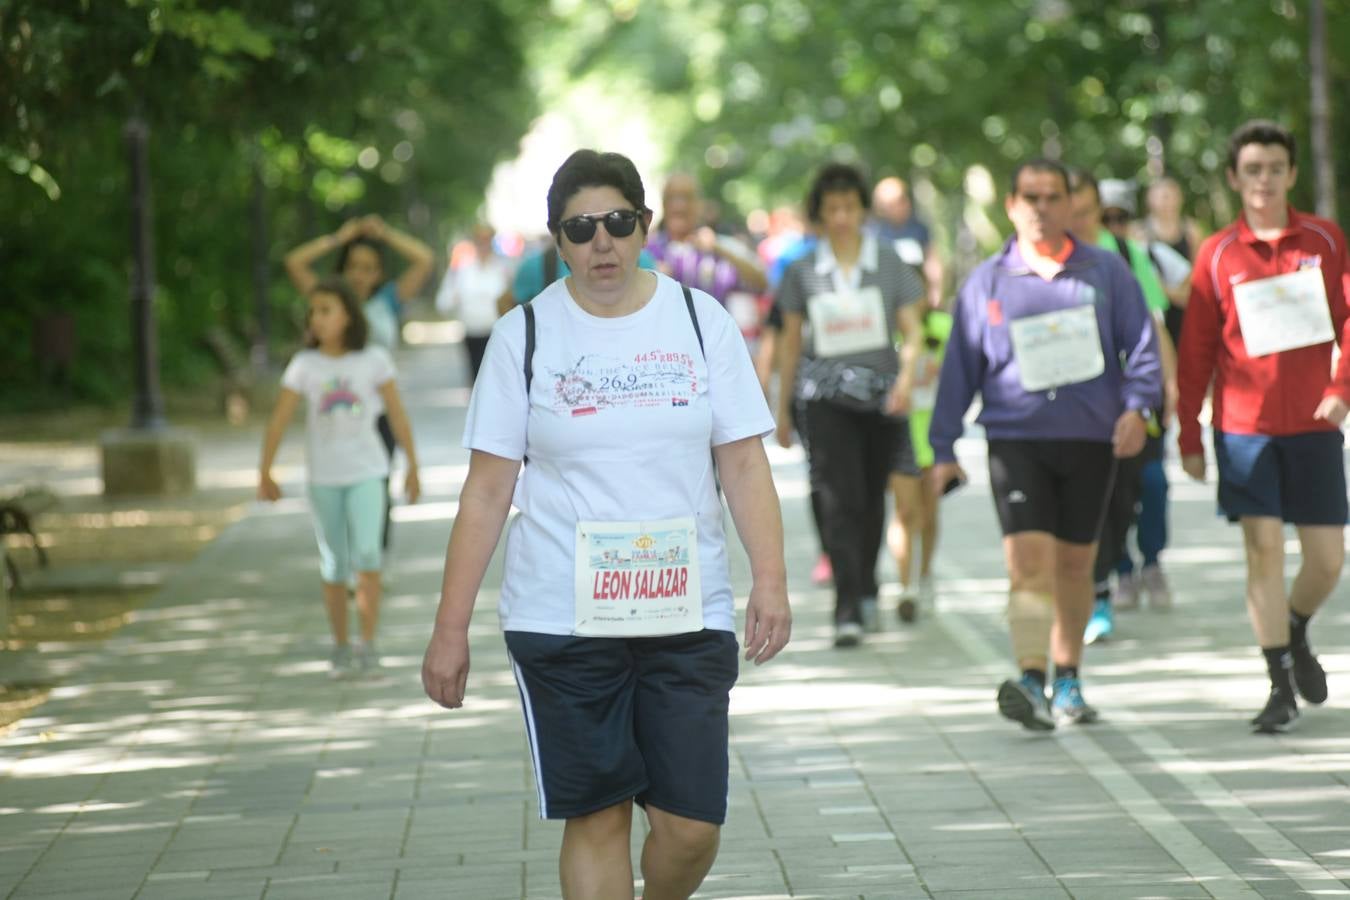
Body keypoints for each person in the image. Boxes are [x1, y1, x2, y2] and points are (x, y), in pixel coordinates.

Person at [421, 149, 791, 899]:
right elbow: (487, 493)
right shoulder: (522, 337)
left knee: (690, 830)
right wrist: (448, 627)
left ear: (644, 225)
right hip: (560, 615)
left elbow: (745, 465)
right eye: (581, 228)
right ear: (556, 239)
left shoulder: (699, 319)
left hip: (686, 611)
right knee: (597, 817)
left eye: (618, 223)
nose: (602, 243)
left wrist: (771, 582)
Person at [929, 158, 1161, 730]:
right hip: (1016, 439)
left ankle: (1068, 677)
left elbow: (1144, 348)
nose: (1039, 206)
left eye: (1051, 196)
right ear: (1011, 205)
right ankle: (1031, 679)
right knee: (1028, 561)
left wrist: (1138, 408)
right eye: (1028, 196)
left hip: (1089, 439)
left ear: (1069, 204)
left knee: (1076, 564)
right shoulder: (988, 280)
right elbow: (959, 367)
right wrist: (942, 447)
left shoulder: (1105, 272)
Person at [1177, 119, 1350, 734]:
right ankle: (1279, 684)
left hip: (1314, 424)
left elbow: (1349, 316)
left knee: (1329, 559)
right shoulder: (1218, 253)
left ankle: (1296, 626)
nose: (1264, 179)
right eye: (1252, 169)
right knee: (1264, 552)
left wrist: (1341, 390)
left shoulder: (1324, 241)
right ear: (1234, 177)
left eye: (1275, 168)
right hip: (1244, 429)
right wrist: (1189, 435)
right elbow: (1196, 349)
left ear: (1291, 174)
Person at [775, 162, 925, 647]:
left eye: (849, 207)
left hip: (881, 400)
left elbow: (914, 329)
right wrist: (780, 408)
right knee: (839, 498)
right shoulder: (801, 271)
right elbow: (790, 342)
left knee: (870, 498)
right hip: (823, 400)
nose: (841, 217)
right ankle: (846, 603)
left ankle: (865, 584)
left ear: (863, 210)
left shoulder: (888, 262)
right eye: (831, 208)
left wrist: (906, 380)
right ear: (819, 214)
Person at [257, 277, 421, 678]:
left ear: (349, 315)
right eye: (314, 311)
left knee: (367, 554)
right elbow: (279, 419)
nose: (318, 318)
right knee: (333, 564)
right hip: (324, 477)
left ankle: (368, 643)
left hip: (368, 471)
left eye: (327, 309)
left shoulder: (374, 361)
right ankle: (341, 646)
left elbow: (397, 415)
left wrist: (414, 466)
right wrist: (265, 470)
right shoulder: (304, 366)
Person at [1067, 173, 1178, 645]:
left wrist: (1168, 386)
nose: (1080, 220)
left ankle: (1129, 568)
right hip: (1068, 406)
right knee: (1081, 502)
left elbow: (1154, 327)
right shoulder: (1046, 260)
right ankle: (1099, 593)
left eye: (1089, 210)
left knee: (1130, 491)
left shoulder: (1126, 256)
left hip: (1126, 401)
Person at [285, 215, 435, 548]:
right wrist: (339, 239)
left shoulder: (388, 301)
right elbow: (294, 262)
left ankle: (372, 559)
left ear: (379, 273)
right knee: (337, 486)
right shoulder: (327, 301)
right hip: (334, 412)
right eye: (354, 265)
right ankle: (347, 559)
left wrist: (386, 234)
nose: (360, 274)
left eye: (369, 267)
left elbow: (424, 259)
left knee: (377, 483)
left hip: (378, 413)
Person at [889, 304, 953, 621]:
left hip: (932, 433)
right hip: (897, 432)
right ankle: (906, 587)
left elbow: (958, 372)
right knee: (904, 512)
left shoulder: (943, 326)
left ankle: (925, 576)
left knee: (928, 513)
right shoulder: (886, 328)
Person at [648, 172, 769, 311]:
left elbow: (761, 284)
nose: (679, 205)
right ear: (663, 203)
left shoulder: (720, 247)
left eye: (687, 197)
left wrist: (718, 249)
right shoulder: (649, 249)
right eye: (672, 197)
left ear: (699, 204)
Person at [434, 222, 511, 382]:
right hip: (472, 334)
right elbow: (443, 302)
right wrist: (454, 298)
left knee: (497, 380)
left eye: (487, 239)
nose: (483, 244)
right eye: (479, 239)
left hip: (496, 333)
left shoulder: (503, 268)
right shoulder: (462, 269)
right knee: (477, 380)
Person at [1139, 176, 1207, 347]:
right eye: (1162, 196)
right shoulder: (1139, 233)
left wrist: (1176, 294)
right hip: (1154, 308)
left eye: (1171, 195)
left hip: (1187, 307)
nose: (1167, 201)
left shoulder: (1192, 231)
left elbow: (1199, 271)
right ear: (1150, 200)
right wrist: (1164, 292)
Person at [870, 176, 946, 309]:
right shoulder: (873, 233)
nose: (899, 207)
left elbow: (931, 261)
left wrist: (935, 289)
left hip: (918, 299)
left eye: (902, 200)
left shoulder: (919, 229)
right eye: (891, 204)